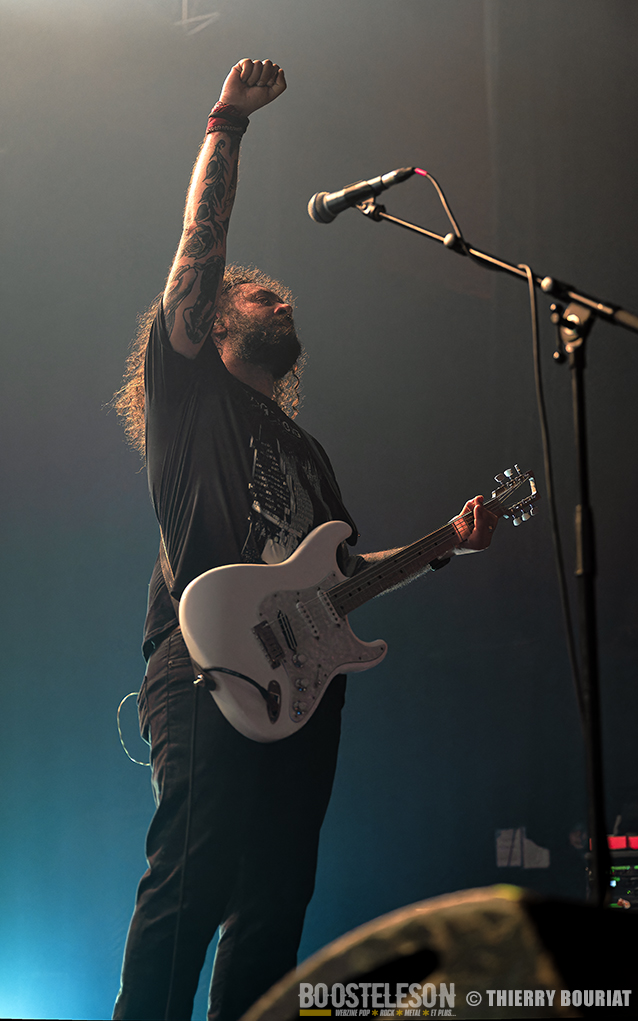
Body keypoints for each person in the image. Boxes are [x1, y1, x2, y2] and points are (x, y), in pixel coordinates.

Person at [112, 58, 498, 1021]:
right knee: (193, 877)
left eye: (283, 299)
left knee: (277, 901)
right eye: (260, 298)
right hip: (205, 666)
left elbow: (342, 578)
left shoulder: (308, 451)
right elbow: (198, 247)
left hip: (302, 688)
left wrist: (445, 542)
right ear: (211, 320)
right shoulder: (190, 394)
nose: (281, 303)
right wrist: (228, 122)